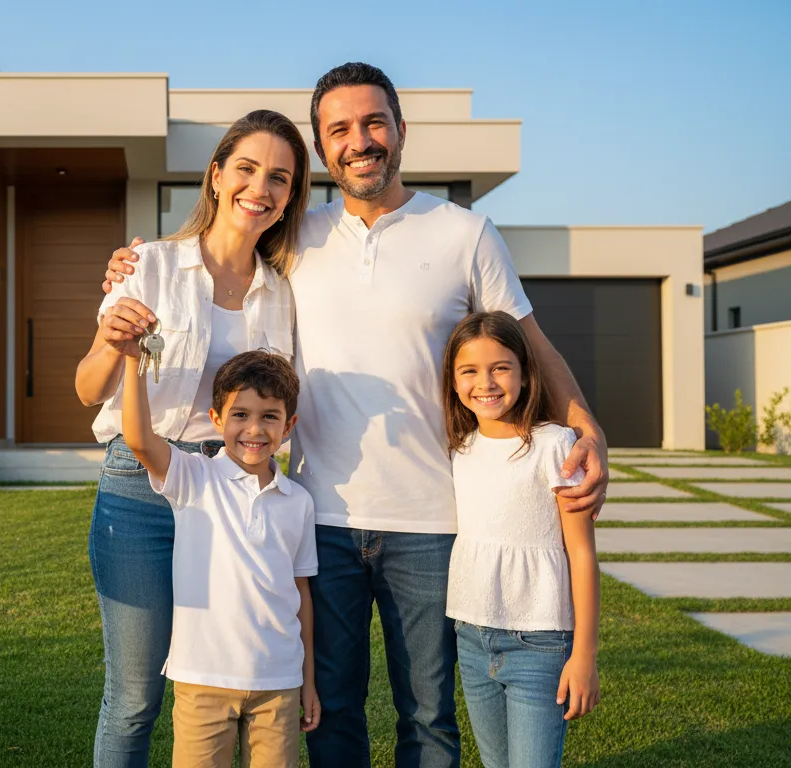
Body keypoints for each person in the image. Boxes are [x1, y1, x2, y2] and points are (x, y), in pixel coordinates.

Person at [101, 62, 609, 768]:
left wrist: (589, 429)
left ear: (401, 130)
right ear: (323, 147)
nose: (359, 141)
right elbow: (217, 251)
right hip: (322, 515)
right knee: (331, 713)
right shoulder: (293, 238)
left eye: (374, 123)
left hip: (432, 520)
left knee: (427, 716)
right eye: (339, 129)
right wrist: (133, 267)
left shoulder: (465, 233)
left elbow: (531, 343)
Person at [74, 109, 313, 767]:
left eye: (279, 178)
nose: (259, 188)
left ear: (291, 195)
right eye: (246, 169)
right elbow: (88, 389)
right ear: (215, 176)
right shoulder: (148, 265)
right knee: (134, 697)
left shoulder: (283, 293)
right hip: (142, 487)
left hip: (235, 496)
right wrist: (112, 341)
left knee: (233, 671)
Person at [121, 348, 319, 767]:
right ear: (216, 418)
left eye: (270, 416)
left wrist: (308, 681)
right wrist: (133, 361)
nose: (255, 429)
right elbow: (138, 438)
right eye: (240, 414)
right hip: (203, 680)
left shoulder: (299, 501)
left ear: (289, 426)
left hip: (278, 683)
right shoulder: (194, 476)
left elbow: (301, 591)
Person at [442, 311, 601, 767]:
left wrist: (584, 655)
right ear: (453, 381)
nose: (485, 383)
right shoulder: (461, 448)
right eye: (469, 371)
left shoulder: (555, 444)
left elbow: (582, 553)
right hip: (471, 636)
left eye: (500, 368)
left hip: (540, 642)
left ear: (526, 373)